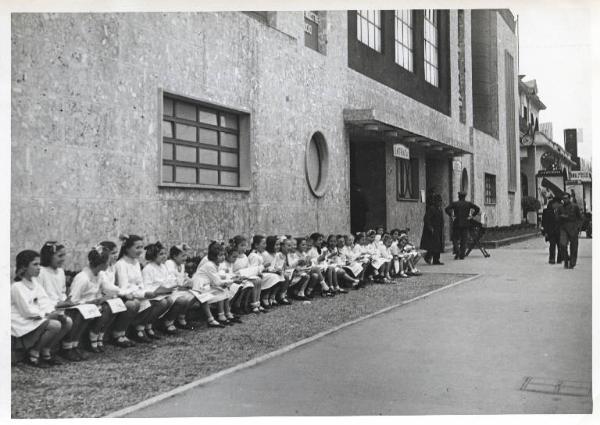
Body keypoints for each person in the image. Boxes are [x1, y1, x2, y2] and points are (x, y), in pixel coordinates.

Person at [11, 250, 71, 367]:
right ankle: (34, 353)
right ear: (24, 267)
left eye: (39, 264)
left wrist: (52, 312)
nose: (39, 267)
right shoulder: (17, 287)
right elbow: (26, 311)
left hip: (37, 316)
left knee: (67, 321)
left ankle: (46, 350)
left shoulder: (35, 283)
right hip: (23, 320)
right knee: (55, 325)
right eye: (35, 264)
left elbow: (45, 302)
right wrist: (47, 316)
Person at [69, 246, 116, 353]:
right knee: (86, 313)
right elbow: (72, 300)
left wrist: (101, 298)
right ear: (101, 263)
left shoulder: (99, 275)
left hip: (93, 306)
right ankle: (71, 345)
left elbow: (104, 289)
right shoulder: (82, 278)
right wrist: (88, 302)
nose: (109, 264)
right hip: (79, 308)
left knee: (110, 307)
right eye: (108, 261)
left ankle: (95, 335)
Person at [445, 191, 480, 259]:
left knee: (455, 239)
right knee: (464, 240)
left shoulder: (455, 204)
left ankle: (457, 251)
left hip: (456, 224)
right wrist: (471, 216)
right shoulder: (468, 204)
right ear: (465, 197)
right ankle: (462, 255)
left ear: (459, 196)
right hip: (465, 224)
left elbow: (446, 209)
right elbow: (477, 209)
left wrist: (451, 215)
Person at [557, 193, 583, 269]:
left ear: (569, 198)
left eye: (566, 198)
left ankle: (572, 262)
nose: (565, 200)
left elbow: (580, 218)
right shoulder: (560, 207)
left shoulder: (575, 207)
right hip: (563, 228)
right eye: (564, 198)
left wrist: (578, 227)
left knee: (574, 247)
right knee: (562, 245)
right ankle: (566, 259)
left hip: (573, 228)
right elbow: (556, 218)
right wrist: (561, 217)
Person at [420, 193, 445, 265]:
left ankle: (436, 260)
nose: (440, 203)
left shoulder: (439, 209)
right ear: (435, 202)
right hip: (433, 230)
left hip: (439, 229)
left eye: (440, 201)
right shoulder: (432, 209)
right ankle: (428, 257)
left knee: (438, 245)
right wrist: (430, 227)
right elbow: (426, 219)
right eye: (438, 201)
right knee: (433, 246)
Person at [541, 195, 562, 264]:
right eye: (558, 204)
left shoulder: (561, 211)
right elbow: (545, 223)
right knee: (552, 246)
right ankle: (552, 259)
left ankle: (559, 259)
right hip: (551, 232)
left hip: (559, 232)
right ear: (554, 203)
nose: (559, 205)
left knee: (560, 246)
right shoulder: (547, 211)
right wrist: (546, 232)